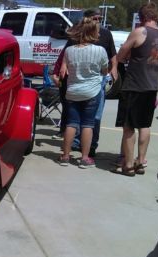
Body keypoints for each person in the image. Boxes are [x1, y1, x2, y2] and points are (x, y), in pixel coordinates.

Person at [52, 8, 117, 157]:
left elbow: (113, 53)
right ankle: (81, 151)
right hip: (90, 85)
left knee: (85, 120)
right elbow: (65, 56)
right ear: (86, 20)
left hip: (82, 86)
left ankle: (78, 151)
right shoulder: (85, 39)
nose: (98, 22)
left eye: (99, 19)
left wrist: (114, 69)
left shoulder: (106, 34)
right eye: (95, 19)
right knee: (85, 121)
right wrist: (62, 67)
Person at [112, 3, 158, 176]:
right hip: (152, 86)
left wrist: (125, 57)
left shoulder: (140, 31)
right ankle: (140, 161)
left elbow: (121, 54)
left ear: (142, 17)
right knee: (145, 125)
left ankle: (128, 165)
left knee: (129, 127)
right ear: (156, 16)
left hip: (134, 85)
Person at [57, 17, 108, 168]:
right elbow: (104, 71)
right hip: (92, 91)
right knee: (88, 124)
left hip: (72, 91)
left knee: (71, 124)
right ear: (93, 33)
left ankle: (65, 156)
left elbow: (67, 69)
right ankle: (84, 158)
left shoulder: (69, 50)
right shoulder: (100, 50)